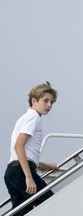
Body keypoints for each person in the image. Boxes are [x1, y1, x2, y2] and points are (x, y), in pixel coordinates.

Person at [4, 81, 59, 216]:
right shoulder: (33, 118)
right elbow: (19, 146)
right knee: (52, 204)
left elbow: (25, 153)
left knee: (22, 213)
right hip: (21, 172)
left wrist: (46, 165)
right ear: (34, 100)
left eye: (51, 102)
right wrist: (29, 177)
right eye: (45, 101)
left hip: (12, 172)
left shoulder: (26, 117)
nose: (49, 105)